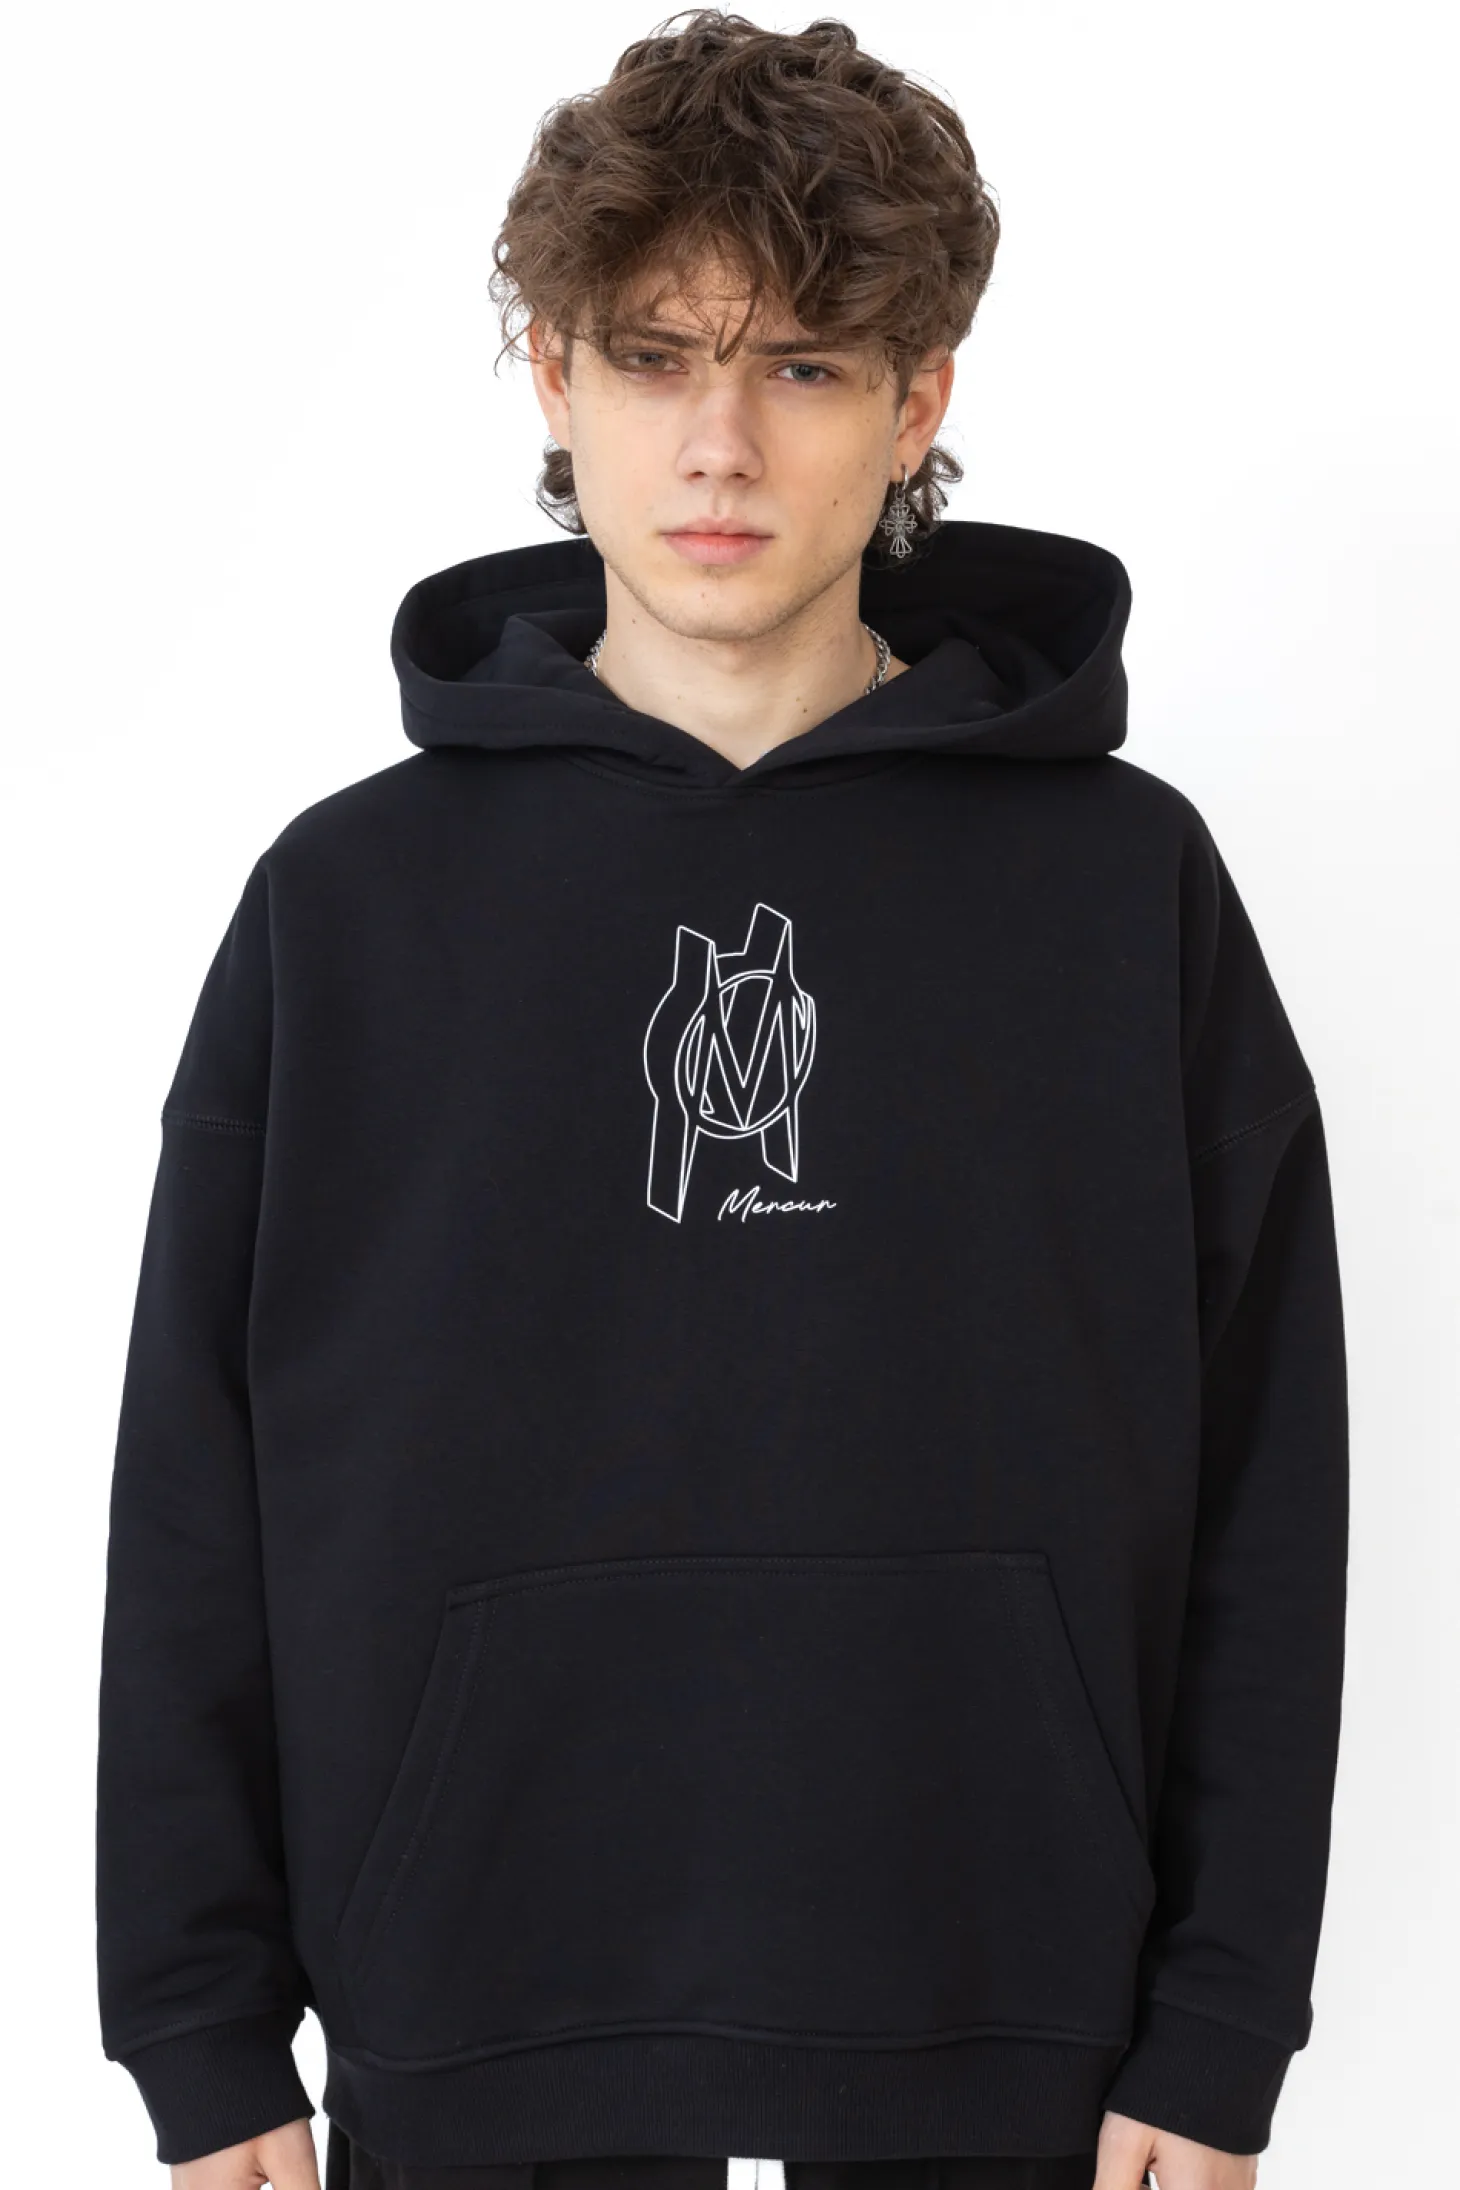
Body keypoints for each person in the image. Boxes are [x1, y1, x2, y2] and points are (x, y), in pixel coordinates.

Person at [94, 12, 1348, 2190]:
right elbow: (194, 1494)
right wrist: (201, 2028)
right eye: (655, 357)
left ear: (917, 401)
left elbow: (1269, 1482)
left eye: (803, 364)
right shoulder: (347, 909)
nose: (720, 446)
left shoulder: (1124, 890)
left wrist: (1224, 2018)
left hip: (1017, 2034)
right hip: (478, 2014)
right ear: (554, 380)